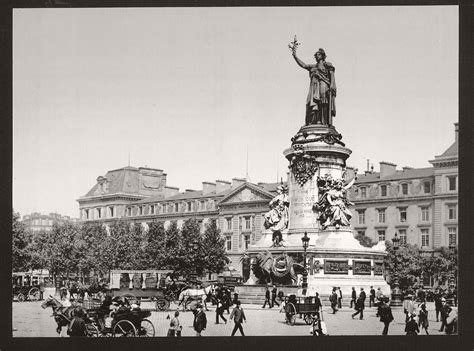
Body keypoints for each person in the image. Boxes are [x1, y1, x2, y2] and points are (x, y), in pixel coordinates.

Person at [291, 46, 337, 126]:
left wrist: (333, 84)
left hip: (324, 83)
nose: (316, 56)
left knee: (323, 101)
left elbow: (332, 75)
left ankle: (324, 122)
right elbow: (304, 65)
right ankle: (316, 121)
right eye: (316, 55)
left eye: (318, 55)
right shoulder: (313, 66)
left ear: (322, 56)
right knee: (314, 102)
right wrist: (295, 56)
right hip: (314, 87)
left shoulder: (327, 65)